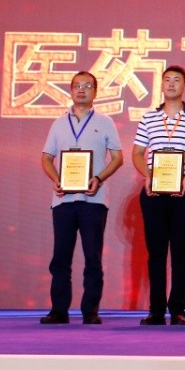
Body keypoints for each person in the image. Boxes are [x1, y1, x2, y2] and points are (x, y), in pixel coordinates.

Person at [39, 71, 124, 324]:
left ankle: (90, 311)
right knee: (60, 258)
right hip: (63, 201)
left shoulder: (105, 122)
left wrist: (98, 178)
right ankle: (59, 310)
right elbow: (46, 157)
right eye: (77, 85)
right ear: (71, 90)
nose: (81, 90)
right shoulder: (58, 123)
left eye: (87, 86)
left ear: (95, 92)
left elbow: (118, 158)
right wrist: (56, 178)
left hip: (94, 200)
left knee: (93, 258)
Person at [132, 65, 185, 326]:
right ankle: (156, 310)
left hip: (182, 193)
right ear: (162, 84)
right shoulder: (148, 118)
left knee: (179, 252)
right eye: (167, 79)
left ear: (184, 86)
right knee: (156, 253)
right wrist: (147, 175)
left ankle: (178, 310)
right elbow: (137, 153)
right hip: (153, 192)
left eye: (177, 80)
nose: (171, 84)